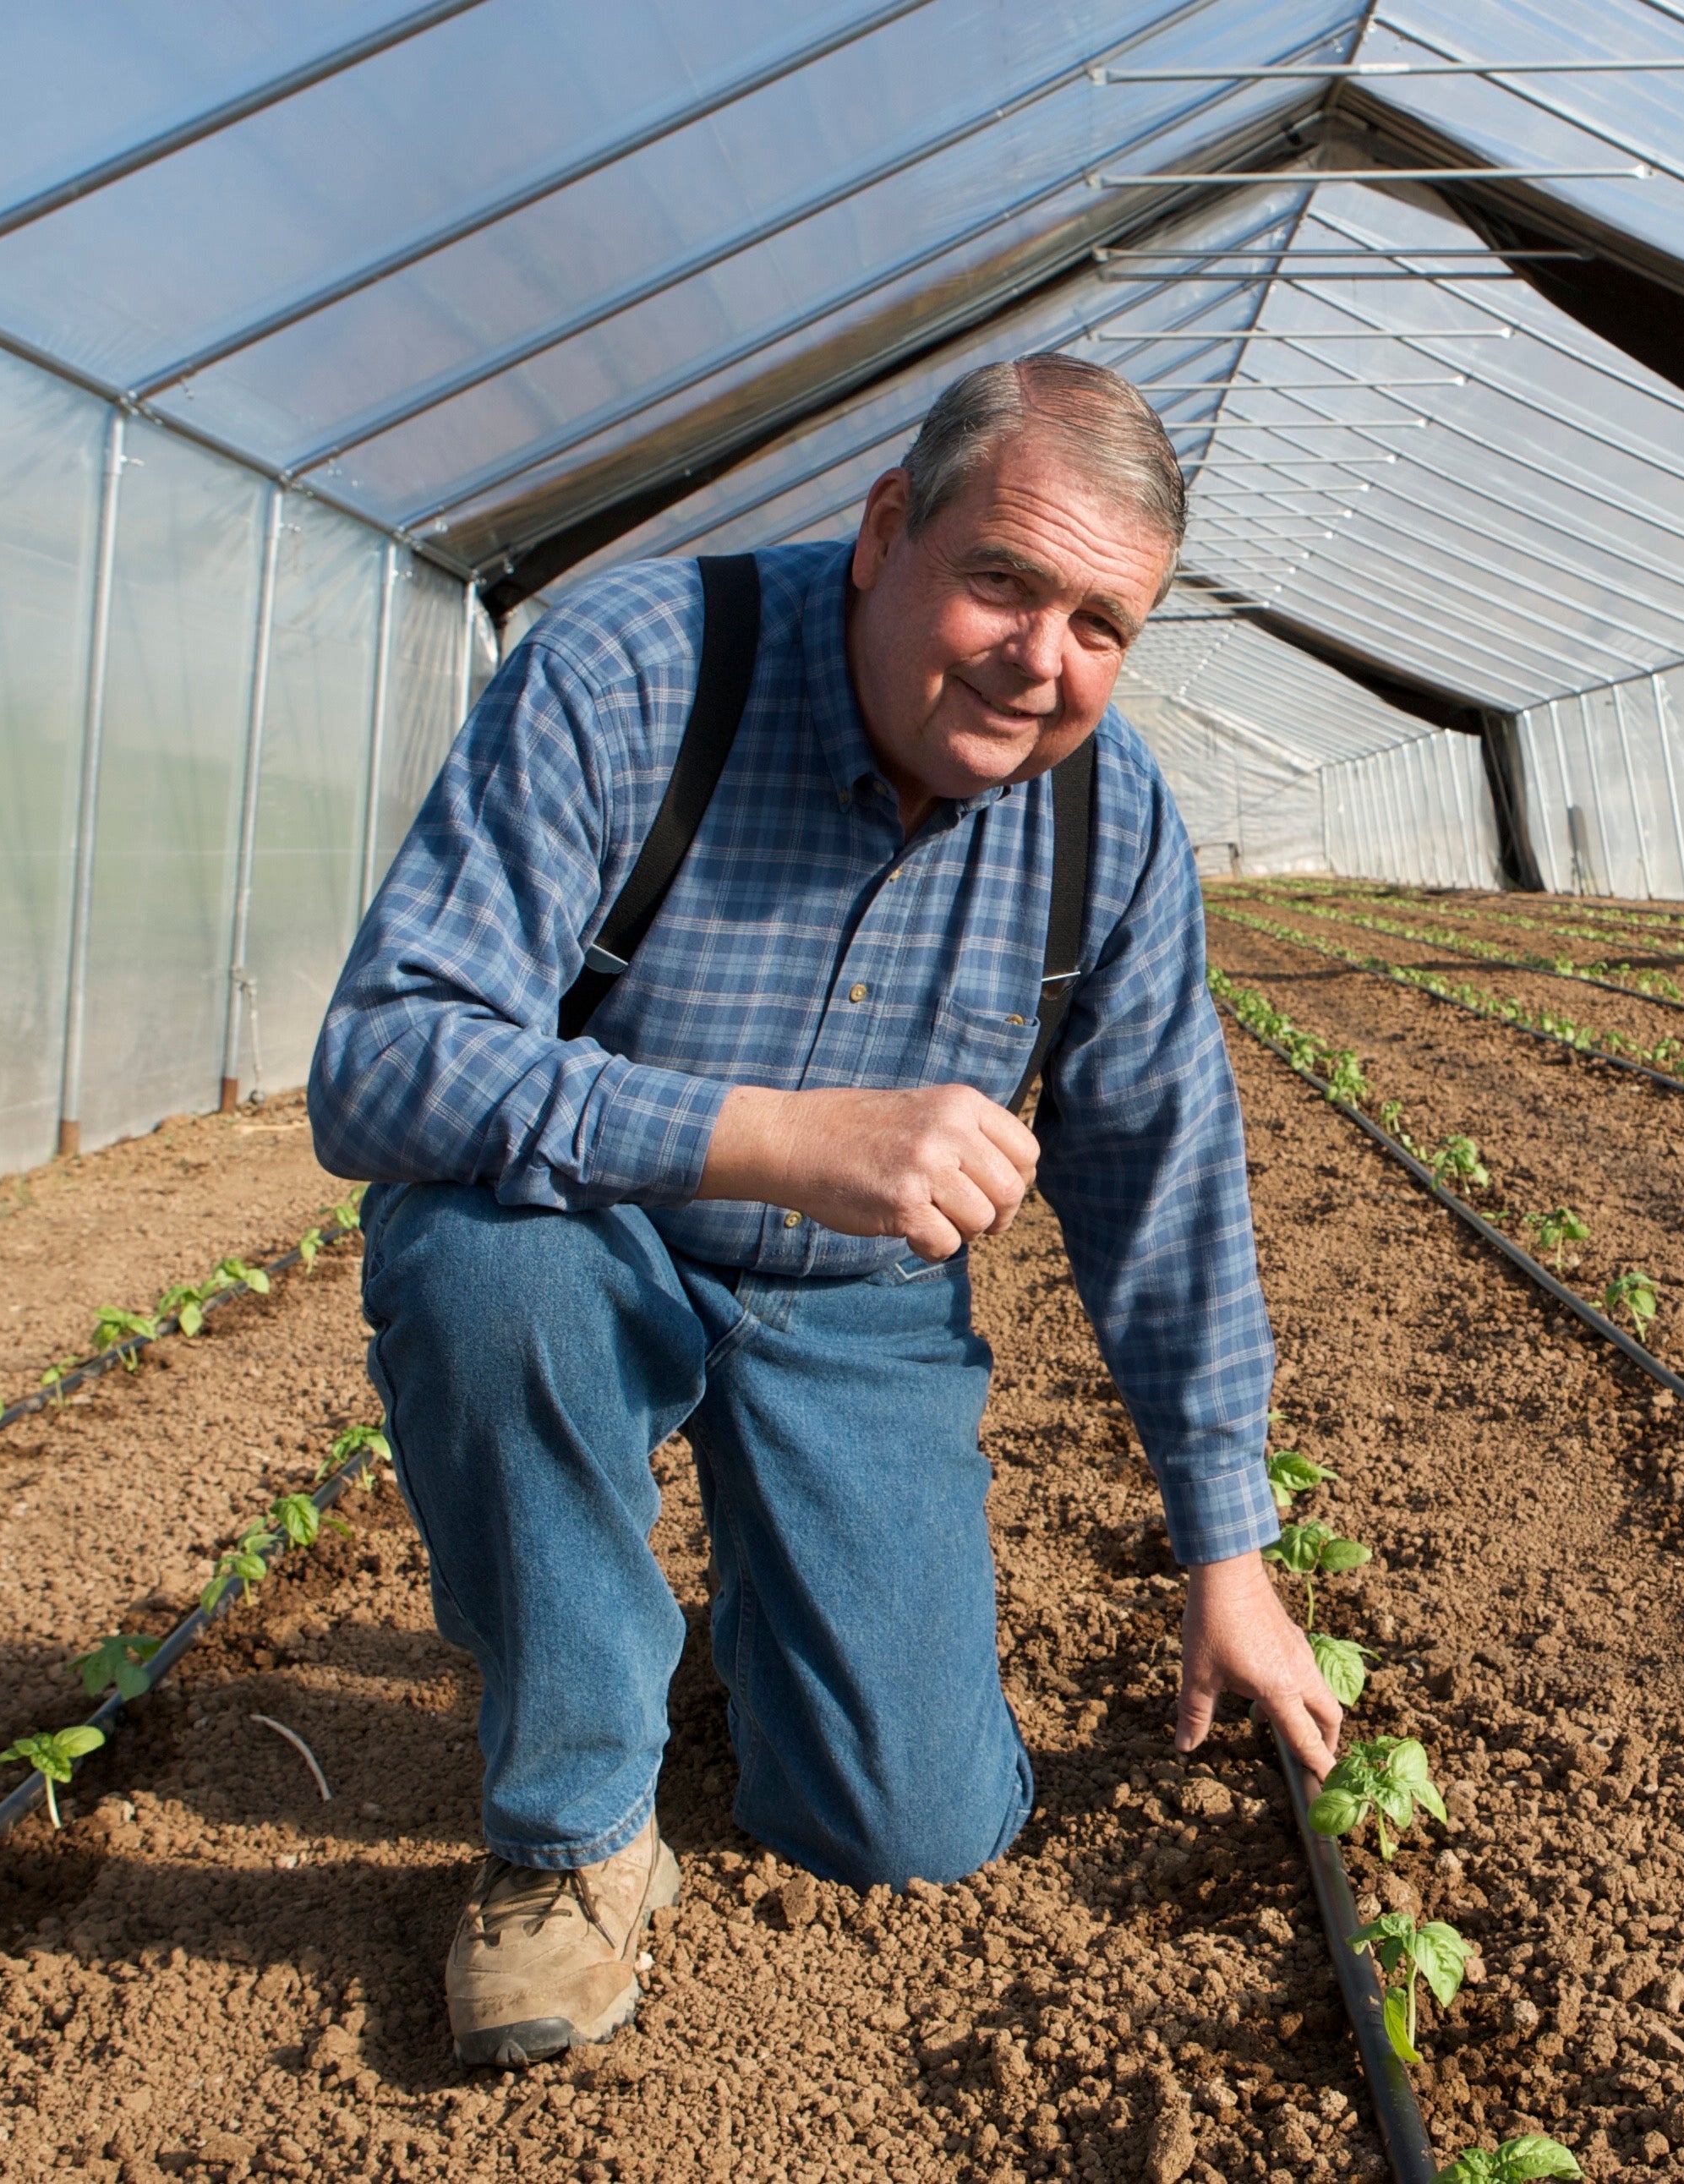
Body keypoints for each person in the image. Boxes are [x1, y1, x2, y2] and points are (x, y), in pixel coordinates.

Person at [307, 354, 1341, 2069]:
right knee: (489, 1273)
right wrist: (765, 1134)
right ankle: (573, 1836)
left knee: (907, 1824)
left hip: (850, 1313)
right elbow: (384, 1056)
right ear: (884, 533)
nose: (1041, 658)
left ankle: (706, 1639)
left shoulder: (1113, 821)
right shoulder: (640, 673)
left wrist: (1230, 1551)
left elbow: (1165, 1178)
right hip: (594, 1233)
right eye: (1003, 579)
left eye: (1103, 622)